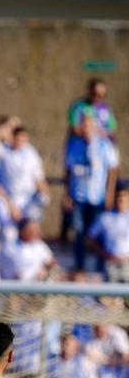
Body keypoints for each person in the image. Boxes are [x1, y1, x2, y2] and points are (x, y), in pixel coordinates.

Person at [64, 114, 119, 272]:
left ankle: (99, 267)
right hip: (78, 197)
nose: (86, 129)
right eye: (84, 125)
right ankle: (80, 266)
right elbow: (69, 171)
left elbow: (113, 170)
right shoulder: (74, 144)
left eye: (89, 125)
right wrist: (67, 194)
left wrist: (109, 194)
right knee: (79, 232)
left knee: (98, 234)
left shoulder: (103, 145)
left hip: (98, 197)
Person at [88, 182, 129, 282]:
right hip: (110, 264)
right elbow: (89, 239)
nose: (121, 199)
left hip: (127, 265)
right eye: (118, 196)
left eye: (124, 196)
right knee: (108, 295)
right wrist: (103, 253)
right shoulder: (105, 217)